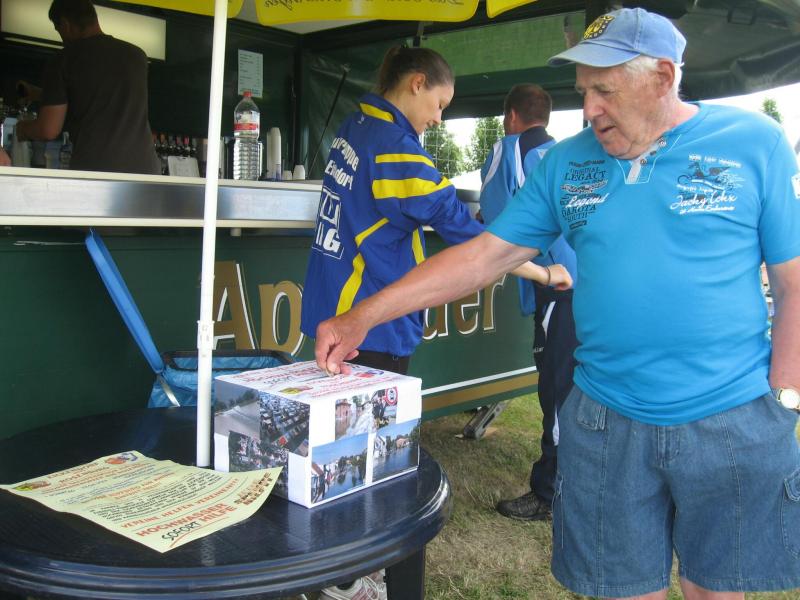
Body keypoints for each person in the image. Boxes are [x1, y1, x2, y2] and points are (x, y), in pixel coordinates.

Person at [313, 7, 800, 599]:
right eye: (583, 90)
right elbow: (482, 256)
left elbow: (793, 282)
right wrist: (363, 315)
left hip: (728, 414)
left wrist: (784, 397)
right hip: (608, 417)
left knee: (717, 589)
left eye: (605, 90)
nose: (589, 108)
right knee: (621, 590)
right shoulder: (568, 163)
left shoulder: (753, 144)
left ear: (664, 77)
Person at [304, 45, 570, 600]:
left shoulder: (355, 125)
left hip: (335, 308)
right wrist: (544, 273)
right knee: (370, 459)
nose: (439, 119)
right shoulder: (396, 150)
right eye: (441, 104)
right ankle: (351, 576)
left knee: (339, 449)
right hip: (372, 322)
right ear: (417, 83)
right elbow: (470, 238)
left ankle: (340, 570)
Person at [479, 83, 579, 521]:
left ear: (511, 117)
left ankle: (550, 494)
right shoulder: (568, 156)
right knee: (579, 390)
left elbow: (494, 224)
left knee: (557, 393)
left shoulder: (511, 149)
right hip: (593, 287)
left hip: (559, 290)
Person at [14, 0, 160, 174]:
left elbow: (48, 130)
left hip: (98, 169)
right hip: (146, 168)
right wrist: (38, 94)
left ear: (65, 24)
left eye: (58, 30)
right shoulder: (137, 56)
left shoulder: (64, 59)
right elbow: (95, 93)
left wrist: (22, 128)